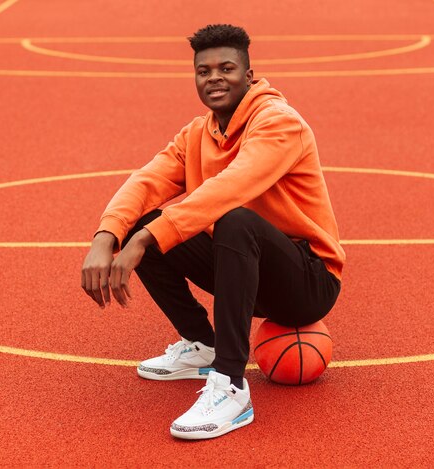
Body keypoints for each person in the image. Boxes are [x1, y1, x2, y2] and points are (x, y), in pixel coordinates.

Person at [81, 24, 345, 440]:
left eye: (226, 68)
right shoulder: (197, 133)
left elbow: (230, 187)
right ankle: (202, 344)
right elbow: (146, 181)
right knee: (138, 222)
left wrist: (146, 241)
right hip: (248, 271)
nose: (214, 78)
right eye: (204, 71)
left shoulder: (279, 123)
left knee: (233, 218)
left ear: (250, 75)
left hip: (308, 281)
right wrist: (107, 237)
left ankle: (231, 386)